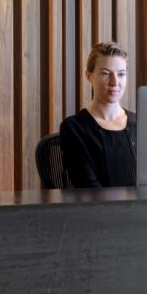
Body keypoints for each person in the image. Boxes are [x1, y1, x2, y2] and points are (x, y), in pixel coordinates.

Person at [59, 41, 136, 188]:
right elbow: (87, 186)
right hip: (101, 209)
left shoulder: (142, 123)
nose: (114, 82)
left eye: (121, 74)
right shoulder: (74, 128)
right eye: (105, 73)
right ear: (89, 76)